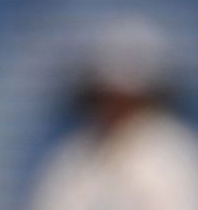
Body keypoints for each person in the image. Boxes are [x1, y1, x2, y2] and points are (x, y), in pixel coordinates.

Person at [29, 17, 198, 210]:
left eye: (128, 98)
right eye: (108, 96)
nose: (116, 107)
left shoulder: (178, 155)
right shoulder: (72, 157)